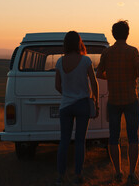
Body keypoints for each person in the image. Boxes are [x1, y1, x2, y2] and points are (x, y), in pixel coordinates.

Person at [97, 20, 139, 185]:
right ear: (127, 33)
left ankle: (117, 172)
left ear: (113, 34)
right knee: (133, 137)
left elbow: (99, 73)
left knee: (113, 137)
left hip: (114, 100)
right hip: (131, 99)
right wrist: (137, 74)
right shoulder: (132, 51)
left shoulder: (107, 53)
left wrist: (110, 77)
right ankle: (132, 174)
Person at [55, 31, 99, 185]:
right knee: (80, 141)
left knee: (64, 141)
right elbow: (94, 83)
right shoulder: (86, 61)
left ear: (66, 44)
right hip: (82, 104)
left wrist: (67, 94)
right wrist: (95, 101)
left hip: (65, 106)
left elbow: (57, 86)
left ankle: (61, 177)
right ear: (79, 43)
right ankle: (78, 176)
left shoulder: (60, 62)